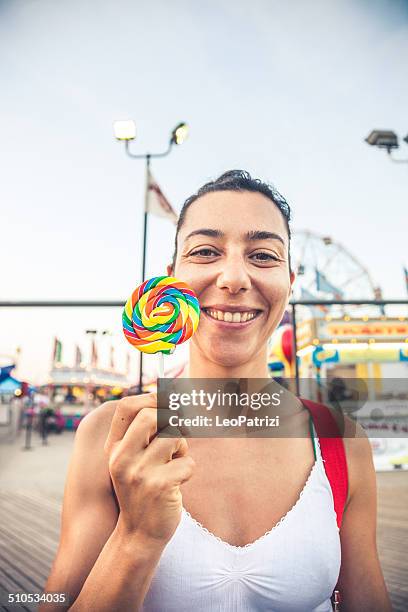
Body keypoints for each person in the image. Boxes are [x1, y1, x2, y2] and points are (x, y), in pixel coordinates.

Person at [41, 170, 392, 611]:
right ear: (169, 280)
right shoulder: (109, 436)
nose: (233, 278)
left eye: (263, 255)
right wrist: (136, 537)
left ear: (290, 280)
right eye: (206, 251)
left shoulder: (342, 442)